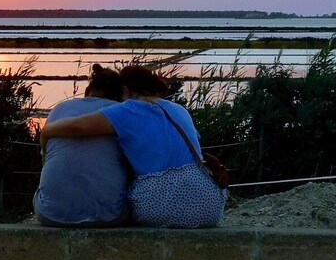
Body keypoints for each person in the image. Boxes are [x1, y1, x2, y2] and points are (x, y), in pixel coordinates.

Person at [40, 65, 227, 228]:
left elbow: (77, 126)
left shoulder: (127, 110)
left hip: (159, 205)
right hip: (209, 205)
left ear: (125, 90)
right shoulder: (179, 110)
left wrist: (46, 131)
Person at [33, 64, 132, 227]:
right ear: (121, 93)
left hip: (50, 214)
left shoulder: (60, 108)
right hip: (109, 217)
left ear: (88, 91)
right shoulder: (120, 112)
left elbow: (45, 156)